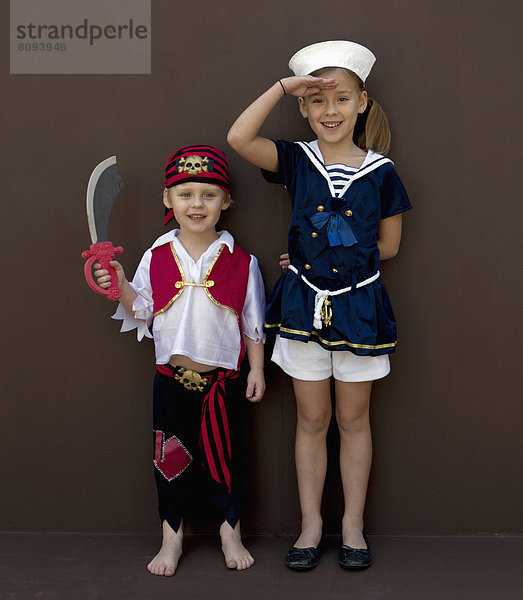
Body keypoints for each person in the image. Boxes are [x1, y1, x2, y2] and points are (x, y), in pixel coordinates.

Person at [227, 41, 411, 570]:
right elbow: (239, 138)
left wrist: (330, 251)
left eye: (342, 99)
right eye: (319, 101)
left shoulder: (382, 171)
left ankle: (351, 525)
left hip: (359, 309)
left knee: (354, 420)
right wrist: (283, 88)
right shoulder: (296, 160)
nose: (331, 112)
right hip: (304, 307)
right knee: (311, 419)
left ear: (362, 104)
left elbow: (390, 245)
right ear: (305, 108)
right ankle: (312, 524)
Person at [91, 145, 266, 575]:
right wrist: (119, 282)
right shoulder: (156, 255)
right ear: (168, 200)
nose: (197, 204)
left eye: (208, 195)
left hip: (222, 384)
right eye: (185, 194)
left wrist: (257, 368)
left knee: (227, 460)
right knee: (171, 460)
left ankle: (230, 531)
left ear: (226, 202)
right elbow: (142, 308)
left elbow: (253, 321)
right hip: (171, 382)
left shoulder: (242, 262)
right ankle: (172, 538)